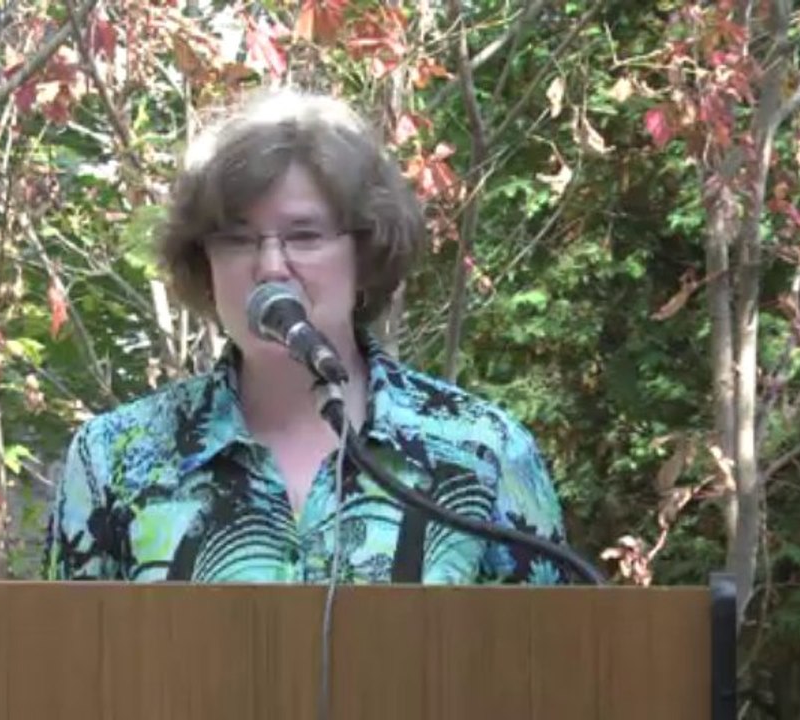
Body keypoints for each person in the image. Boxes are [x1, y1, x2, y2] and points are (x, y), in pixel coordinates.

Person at [42, 88, 568, 585]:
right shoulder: (113, 457)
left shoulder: (484, 450)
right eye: (237, 239)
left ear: (364, 255)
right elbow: (70, 667)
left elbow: (544, 665)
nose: (271, 266)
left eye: (305, 236)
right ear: (204, 264)